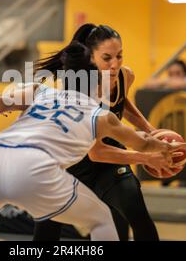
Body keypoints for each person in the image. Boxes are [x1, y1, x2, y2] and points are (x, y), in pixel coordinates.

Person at [0, 41, 186, 241]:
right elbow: (143, 143)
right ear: (96, 83)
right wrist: (167, 149)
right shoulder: (100, 115)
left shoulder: (39, 91)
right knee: (101, 219)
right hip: (35, 169)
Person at [33, 24, 160, 241]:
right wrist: (147, 156)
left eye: (119, 56)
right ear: (91, 58)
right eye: (107, 58)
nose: (115, 64)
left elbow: (122, 102)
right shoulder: (77, 88)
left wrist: (151, 130)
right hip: (71, 161)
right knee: (46, 234)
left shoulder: (125, 76)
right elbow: (96, 152)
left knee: (138, 215)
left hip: (110, 159)